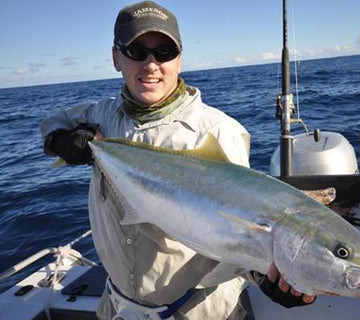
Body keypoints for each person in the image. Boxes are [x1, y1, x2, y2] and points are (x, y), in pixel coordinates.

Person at [40, 1, 315, 319]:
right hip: (117, 305)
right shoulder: (99, 115)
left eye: (164, 52)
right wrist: (60, 141)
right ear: (116, 58)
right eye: (137, 51)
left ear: (180, 59)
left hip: (198, 311)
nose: (151, 64)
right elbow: (52, 124)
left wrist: (265, 277)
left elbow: (241, 228)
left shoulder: (218, 133)